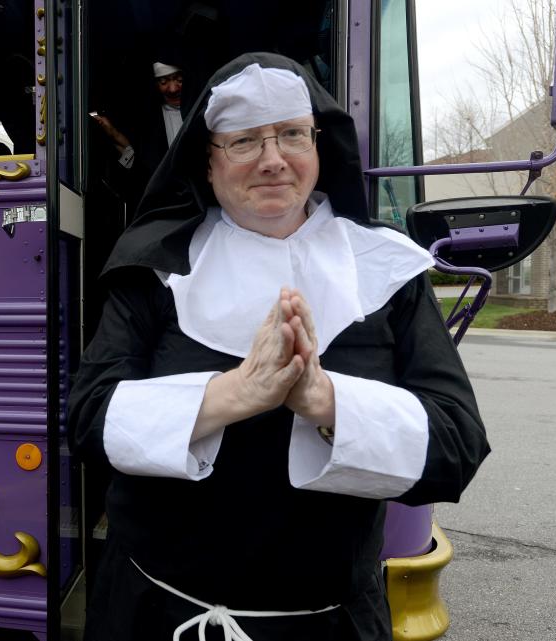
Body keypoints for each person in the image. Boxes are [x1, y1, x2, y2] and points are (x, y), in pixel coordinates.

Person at [68, 52, 489, 641]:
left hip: (329, 624)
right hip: (152, 614)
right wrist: (232, 393)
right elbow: (87, 418)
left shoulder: (388, 272)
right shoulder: (154, 269)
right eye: (243, 141)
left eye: (291, 134)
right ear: (208, 164)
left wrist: (325, 401)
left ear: (318, 148)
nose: (272, 160)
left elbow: (458, 446)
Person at [92, 61, 186, 216]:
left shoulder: (203, 113)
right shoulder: (146, 121)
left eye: (179, 80)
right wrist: (115, 136)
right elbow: (134, 164)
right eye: (163, 82)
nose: (173, 88)